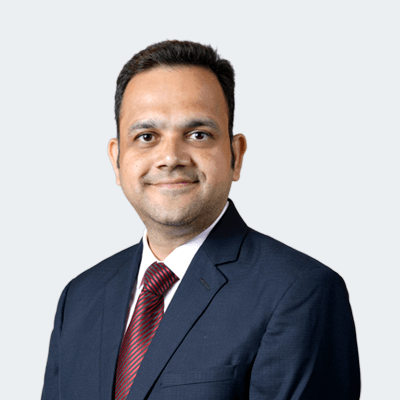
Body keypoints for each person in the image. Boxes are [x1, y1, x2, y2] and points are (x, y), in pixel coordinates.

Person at [41, 40, 360, 400]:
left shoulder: (300, 292)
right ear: (116, 160)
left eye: (198, 135)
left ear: (235, 156)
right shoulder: (80, 298)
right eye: (146, 136)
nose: (170, 157)